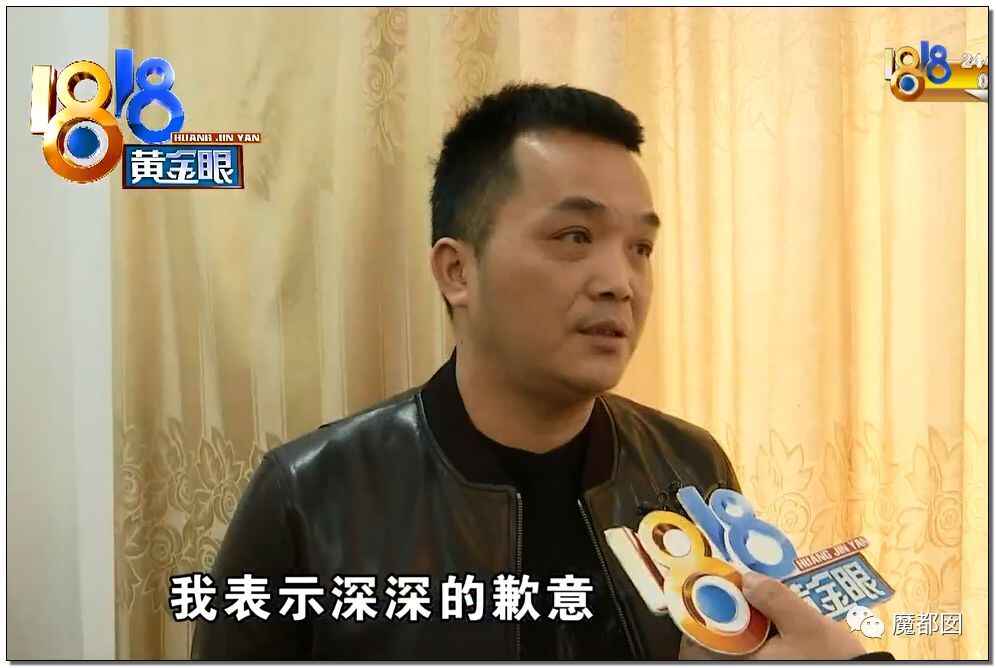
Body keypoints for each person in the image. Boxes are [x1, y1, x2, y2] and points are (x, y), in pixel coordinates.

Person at [190, 83, 891, 660]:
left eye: (641, 248)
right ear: (457, 271)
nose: (620, 282)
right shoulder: (311, 495)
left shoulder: (688, 467)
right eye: (575, 236)